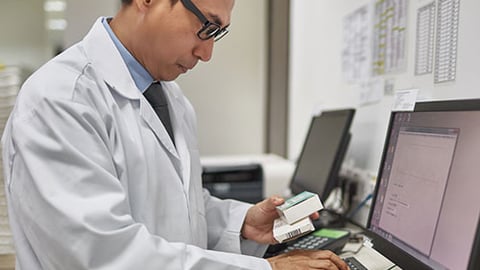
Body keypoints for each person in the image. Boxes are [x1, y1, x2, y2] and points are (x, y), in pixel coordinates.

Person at [1, 0, 349, 269]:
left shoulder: (171, 98)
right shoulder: (61, 98)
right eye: (206, 27)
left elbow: (175, 209)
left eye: (218, 34)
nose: (207, 53)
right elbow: (101, 255)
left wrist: (241, 223)